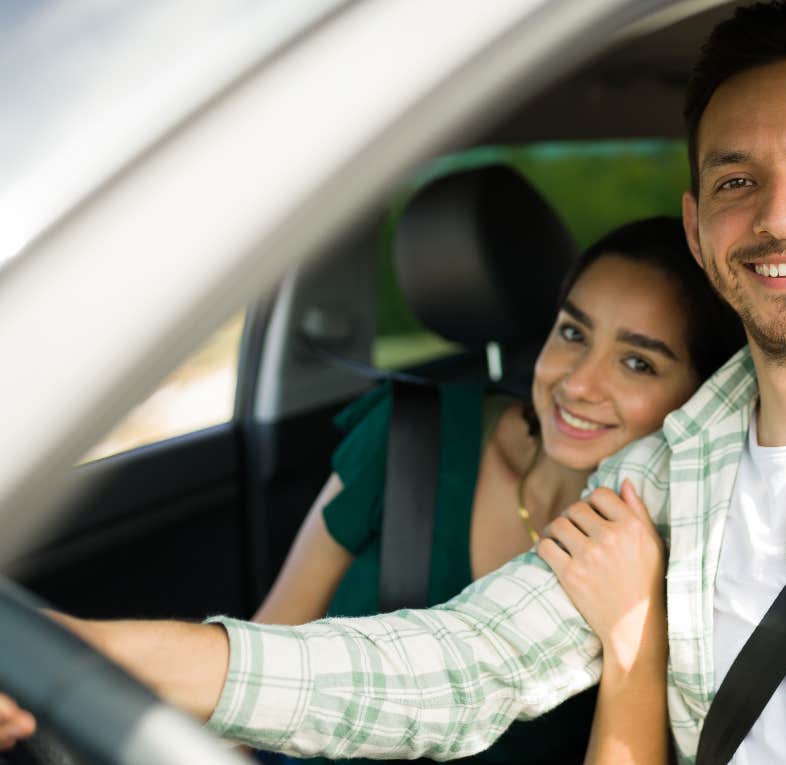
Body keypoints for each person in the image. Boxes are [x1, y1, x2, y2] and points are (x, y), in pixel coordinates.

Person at [0, 4, 786, 763]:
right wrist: (107, 654)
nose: (781, 214)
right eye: (736, 182)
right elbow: (452, 665)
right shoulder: (665, 470)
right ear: (704, 231)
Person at [246, 214, 742, 764]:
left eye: (636, 363)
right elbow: (260, 660)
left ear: (702, 399)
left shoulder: (688, 558)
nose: (577, 383)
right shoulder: (411, 435)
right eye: (573, 333)